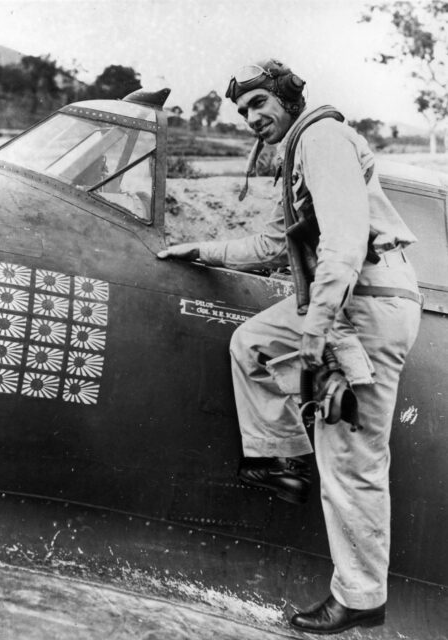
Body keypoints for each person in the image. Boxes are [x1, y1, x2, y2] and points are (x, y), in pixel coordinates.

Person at [157, 59, 421, 634]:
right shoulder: (301, 148)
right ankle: (284, 458)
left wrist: (315, 328)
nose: (251, 118)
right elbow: (275, 243)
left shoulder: (321, 140)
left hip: (366, 304)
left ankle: (360, 596)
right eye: (243, 110)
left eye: (258, 104)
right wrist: (201, 248)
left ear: (287, 99)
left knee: (353, 461)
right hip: (353, 299)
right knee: (251, 341)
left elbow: (346, 245)